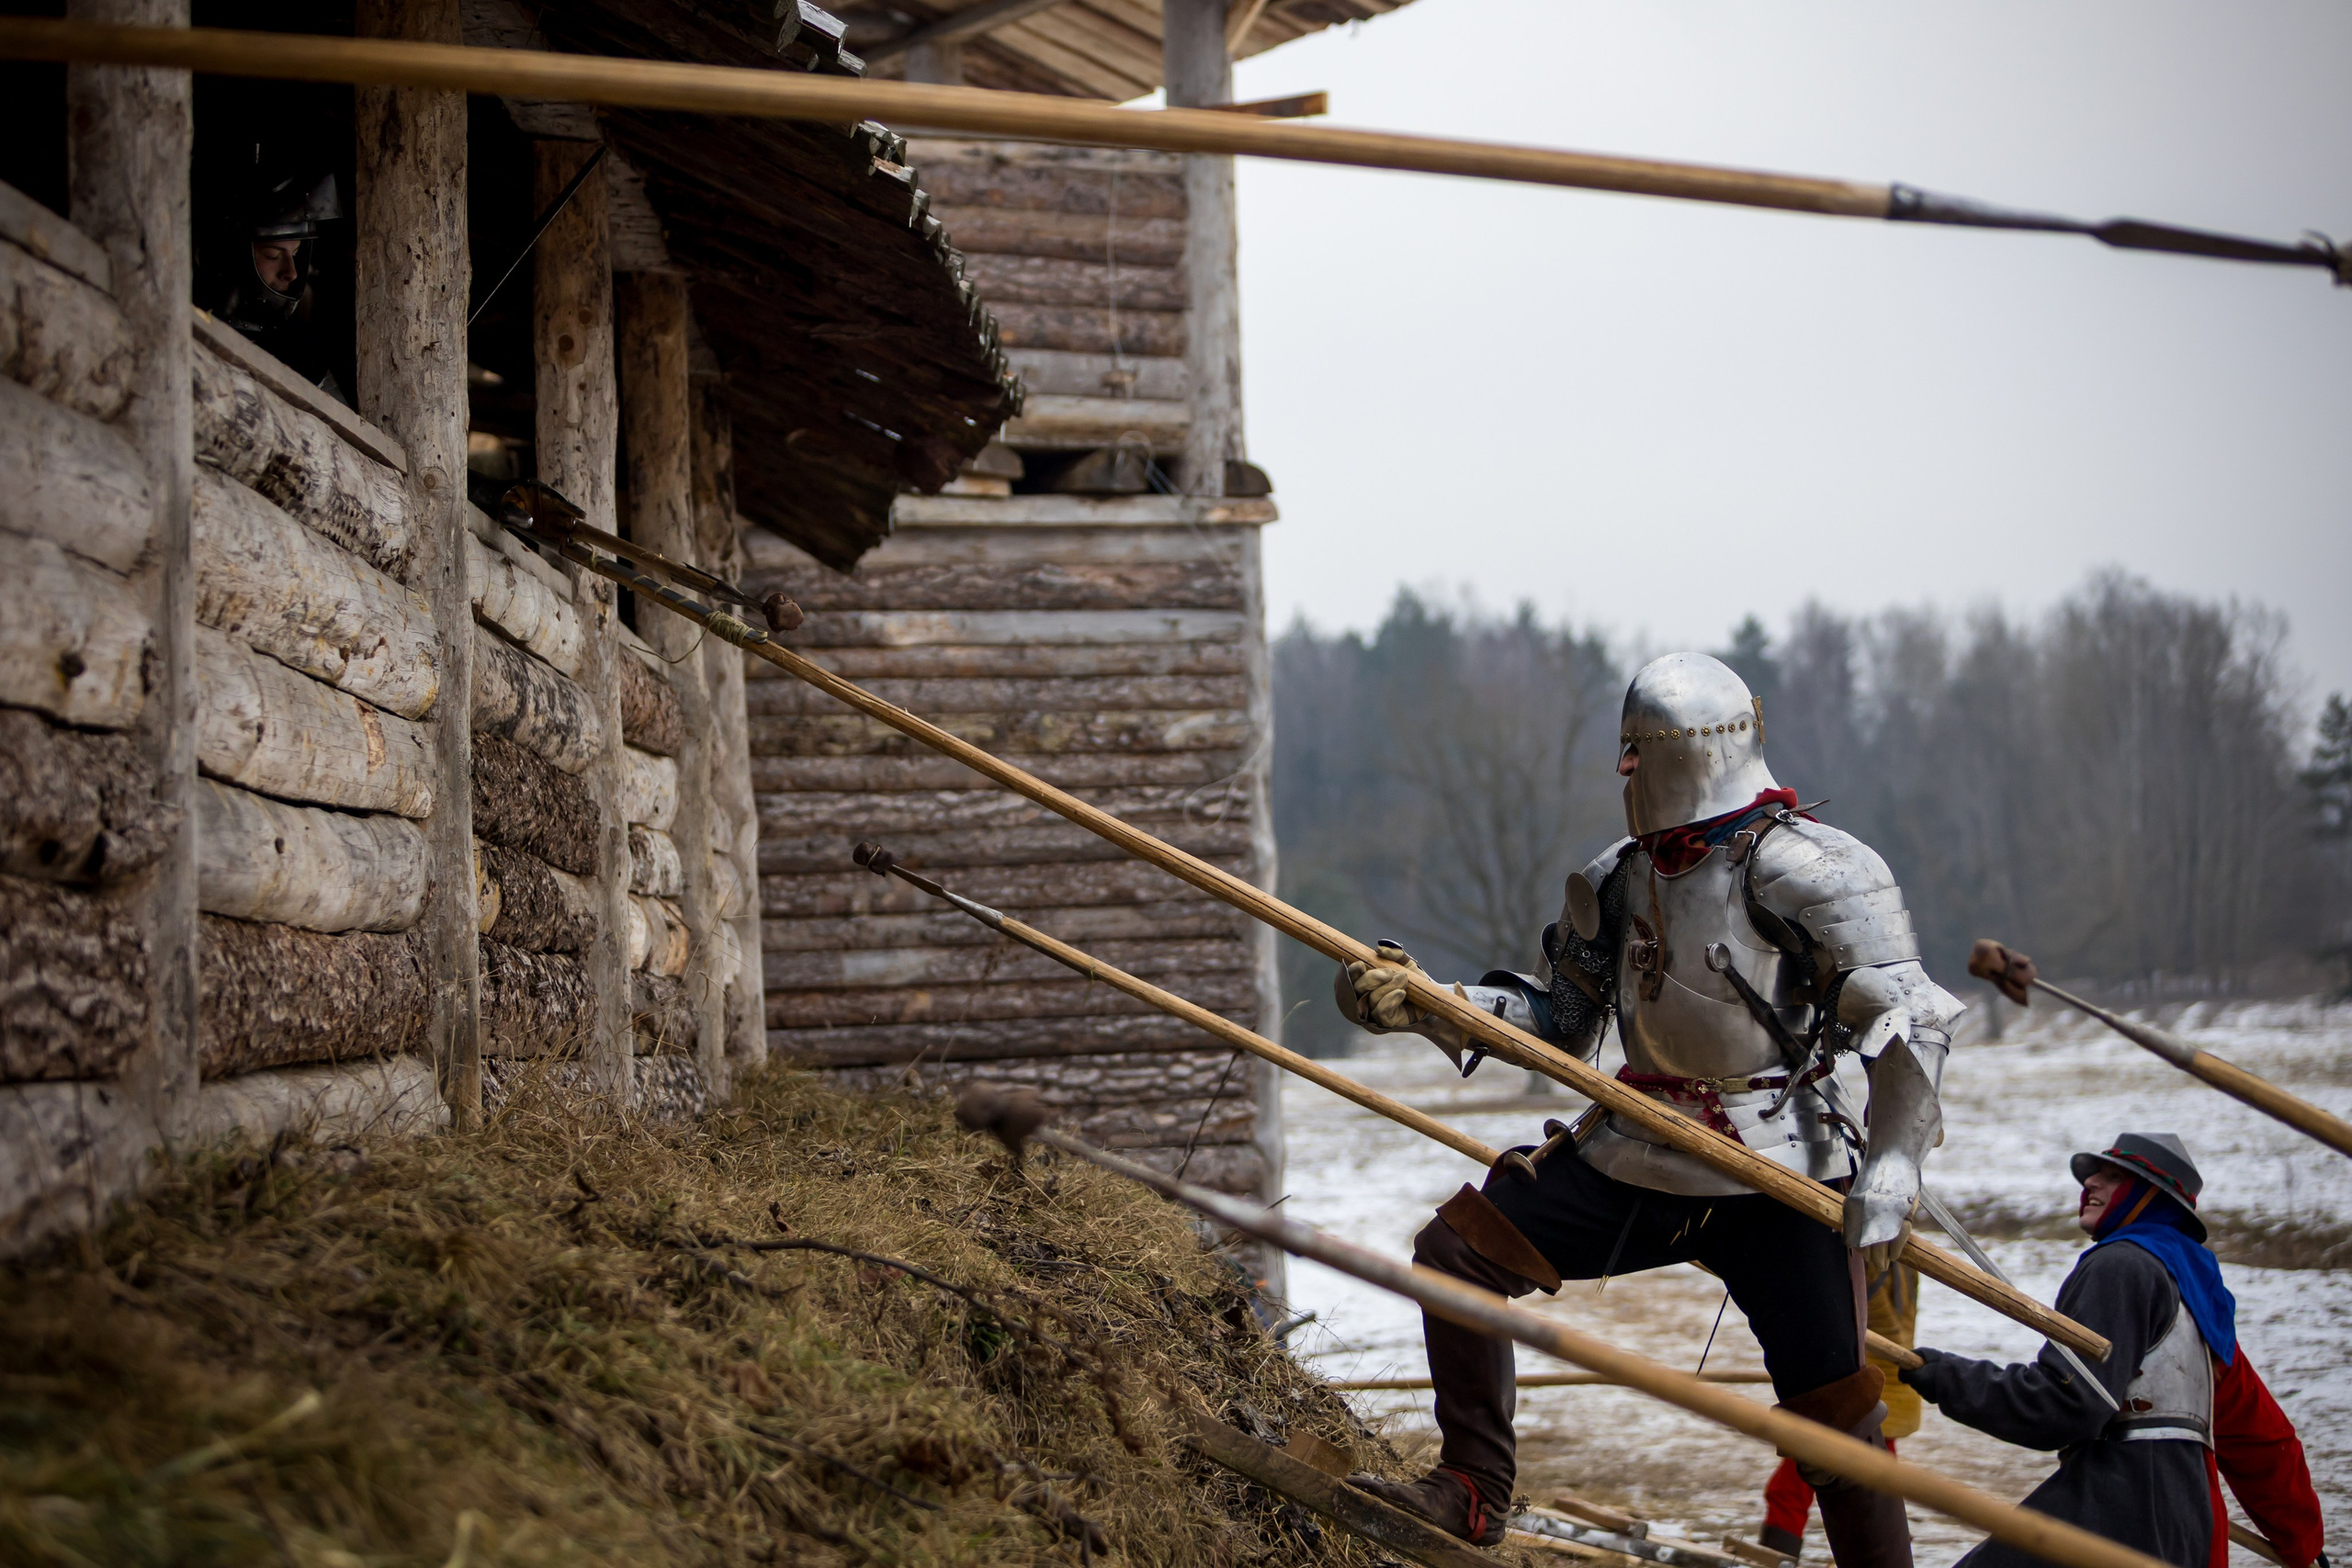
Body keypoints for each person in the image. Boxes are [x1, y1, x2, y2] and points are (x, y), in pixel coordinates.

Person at [1335, 651, 1964, 1568]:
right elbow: (1556, 1021)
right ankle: (1470, 1490)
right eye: (1621, 753)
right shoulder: (1620, 877)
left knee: (1836, 1423)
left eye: (1637, 752)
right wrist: (1432, 1002)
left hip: (1777, 1165)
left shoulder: (1810, 868)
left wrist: (1895, 1164)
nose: (1623, 771)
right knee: (1458, 1254)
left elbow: (1909, 1016)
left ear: (1685, 752)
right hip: (1636, 1153)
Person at [1900, 1134, 2327, 1568]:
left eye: (2114, 1176)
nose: (2091, 1183)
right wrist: (2303, 1545)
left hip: (2124, 1510)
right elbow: (2262, 1438)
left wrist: (1944, 1376)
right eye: (2092, 1175)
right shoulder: (2198, 1293)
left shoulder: (2120, 1265)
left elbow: (2066, 1403)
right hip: (2189, 1529)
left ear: (2151, 1196)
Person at [1756, 1261, 1922, 1561]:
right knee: (1879, 1489)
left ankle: (1775, 1558)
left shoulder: (1877, 1256)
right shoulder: (1891, 1257)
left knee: (1792, 1489)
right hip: (1882, 1392)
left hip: (1864, 1391)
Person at [196, 164, 345, 400]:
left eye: (294, 254)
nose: (291, 272)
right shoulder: (194, 332)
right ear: (233, 257)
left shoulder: (301, 350)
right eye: (273, 256)